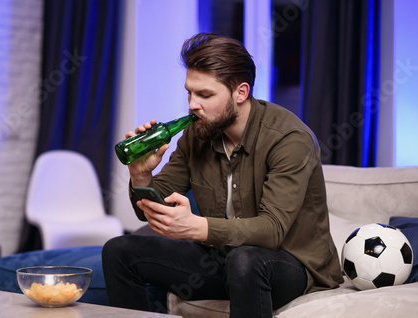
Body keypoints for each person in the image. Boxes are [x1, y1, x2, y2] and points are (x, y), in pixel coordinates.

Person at [102, 33, 343, 317]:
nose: (192, 104)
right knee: (119, 250)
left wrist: (198, 227)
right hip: (223, 260)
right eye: (189, 92)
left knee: (245, 260)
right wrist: (141, 175)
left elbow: (272, 230)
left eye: (205, 95)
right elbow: (151, 210)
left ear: (240, 92)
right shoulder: (197, 134)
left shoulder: (289, 138)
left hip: (292, 265)